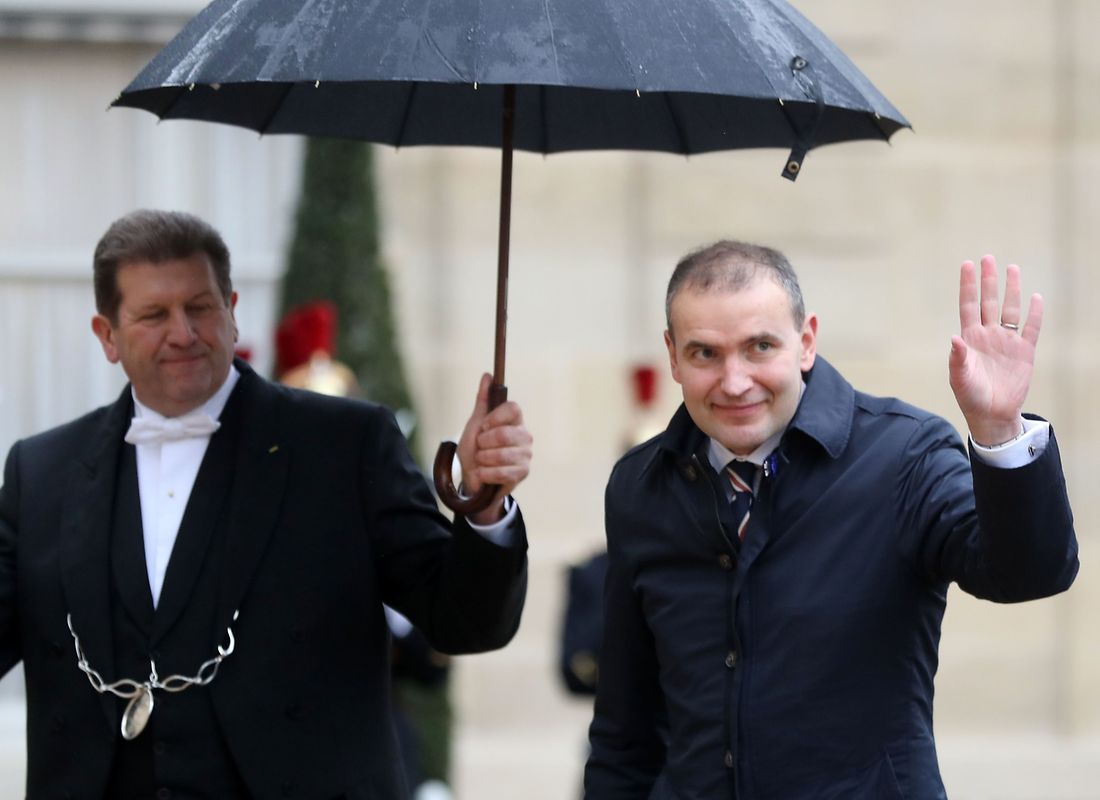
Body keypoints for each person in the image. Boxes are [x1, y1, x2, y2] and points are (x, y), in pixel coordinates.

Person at [0, 209, 533, 799]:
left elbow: (462, 619)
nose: (183, 333)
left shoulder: (345, 444)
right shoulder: (40, 472)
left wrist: (482, 506)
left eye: (200, 307)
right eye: (154, 315)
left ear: (231, 309)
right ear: (107, 335)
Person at [583, 241, 1078, 799]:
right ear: (672, 355)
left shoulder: (904, 455)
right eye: (705, 354)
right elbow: (624, 732)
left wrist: (998, 432)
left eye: (759, 347)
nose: (735, 381)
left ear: (806, 341)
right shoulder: (639, 486)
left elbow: (1029, 573)